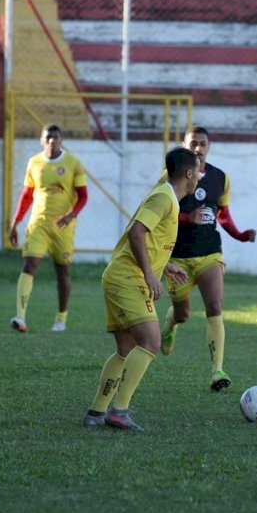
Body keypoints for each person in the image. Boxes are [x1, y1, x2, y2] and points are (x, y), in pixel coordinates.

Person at [82, 147, 201, 432]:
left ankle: (96, 412)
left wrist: (164, 265)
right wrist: (149, 274)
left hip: (120, 275)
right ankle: (119, 411)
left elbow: (148, 239)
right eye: (197, 171)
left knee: (126, 349)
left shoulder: (166, 197)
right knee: (151, 341)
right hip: (128, 277)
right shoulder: (164, 197)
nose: (199, 176)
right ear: (188, 173)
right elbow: (137, 232)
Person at [157, 127, 257, 392]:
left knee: (214, 305)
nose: (198, 148)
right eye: (193, 143)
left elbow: (222, 213)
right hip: (178, 257)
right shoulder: (169, 177)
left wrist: (239, 234)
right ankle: (170, 324)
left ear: (209, 147)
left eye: (202, 144)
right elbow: (158, 212)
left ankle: (217, 371)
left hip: (209, 253)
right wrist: (187, 218)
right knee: (183, 313)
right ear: (184, 145)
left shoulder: (220, 178)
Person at [8, 124, 88, 333]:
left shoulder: (73, 163)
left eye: (56, 138)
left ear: (61, 141)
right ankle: (20, 316)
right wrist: (16, 222)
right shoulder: (34, 163)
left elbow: (83, 196)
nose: (52, 141)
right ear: (41, 140)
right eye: (48, 138)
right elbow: (26, 195)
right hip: (39, 224)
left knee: (61, 270)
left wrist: (71, 215)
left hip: (63, 226)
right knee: (29, 265)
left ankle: (61, 319)